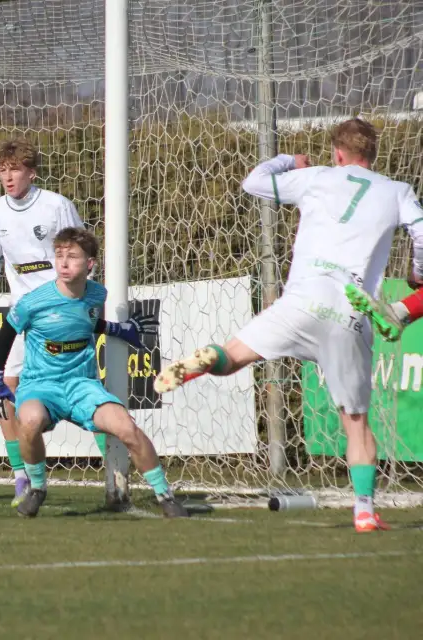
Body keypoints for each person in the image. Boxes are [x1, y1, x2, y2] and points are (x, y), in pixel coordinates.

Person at [154, 118, 423, 532]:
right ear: (373, 154)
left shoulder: (315, 177)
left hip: (302, 299)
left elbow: (254, 181)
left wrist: (289, 160)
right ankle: (365, 511)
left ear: (336, 154)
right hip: (349, 311)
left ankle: (208, 357)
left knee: (232, 358)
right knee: (356, 422)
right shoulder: (397, 191)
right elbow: (421, 232)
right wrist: (418, 273)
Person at [0, 227, 185, 518]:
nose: (64, 263)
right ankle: (37, 488)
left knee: (126, 428)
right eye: (59, 256)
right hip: (41, 385)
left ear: (90, 264)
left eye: (73, 257)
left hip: (82, 385)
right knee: (29, 420)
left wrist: (118, 329)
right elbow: (6, 333)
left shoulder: (96, 294)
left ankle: (165, 495)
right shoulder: (32, 301)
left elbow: (86, 322)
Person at [0, 138, 127, 507]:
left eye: (15, 170)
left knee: (89, 390)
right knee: (3, 391)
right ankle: (21, 478)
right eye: (2, 171)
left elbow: (84, 250)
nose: (8, 177)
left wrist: (86, 306)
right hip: (23, 314)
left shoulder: (57, 206)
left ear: (32, 173)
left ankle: (117, 475)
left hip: (65, 314)